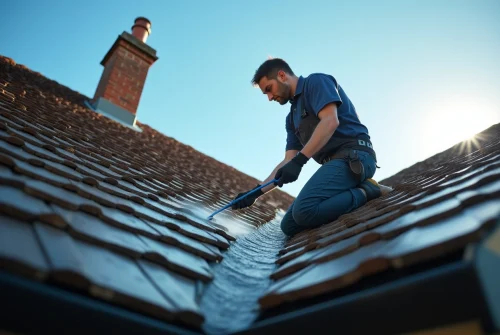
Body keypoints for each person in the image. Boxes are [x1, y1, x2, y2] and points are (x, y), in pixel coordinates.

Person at [231, 58, 391, 237]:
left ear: (282, 76)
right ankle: (349, 189)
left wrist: (300, 161)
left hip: (356, 156)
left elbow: (330, 121)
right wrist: (255, 192)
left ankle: (367, 190)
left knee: (304, 210)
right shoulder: (291, 119)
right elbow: (288, 160)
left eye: (269, 89)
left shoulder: (316, 82)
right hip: (335, 167)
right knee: (289, 226)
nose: (269, 98)